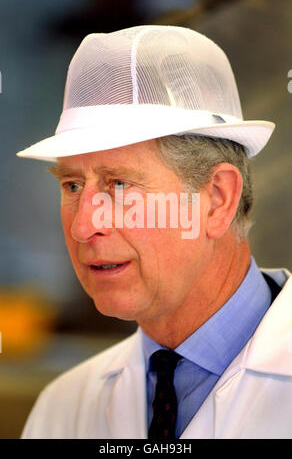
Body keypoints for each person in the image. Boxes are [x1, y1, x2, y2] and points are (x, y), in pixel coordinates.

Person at [17, 25, 291, 439]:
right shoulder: (62, 408)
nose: (83, 225)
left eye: (120, 185)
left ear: (216, 199)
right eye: (73, 186)